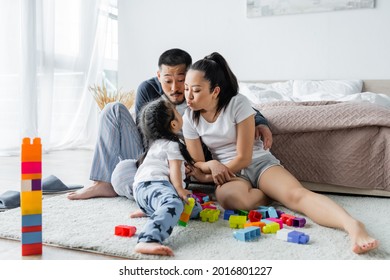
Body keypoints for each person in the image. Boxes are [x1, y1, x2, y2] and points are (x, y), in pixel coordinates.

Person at [182, 52, 379, 254]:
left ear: (215, 91)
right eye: (186, 88)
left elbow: (244, 157)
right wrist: (212, 166)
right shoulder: (189, 117)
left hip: (257, 163)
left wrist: (209, 175)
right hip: (231, 174)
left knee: (297, 196)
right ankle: (271, 193)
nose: (188, 96)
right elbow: (197, 161)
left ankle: (352, 225)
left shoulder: (237, 103)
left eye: (195, 90)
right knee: (229, 200)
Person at [68, 48, 272, 200]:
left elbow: (235, 105)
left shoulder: (199, 98)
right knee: (113, 112)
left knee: (122, 176)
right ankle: (105, 183)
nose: (175, 88)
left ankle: (155, 192)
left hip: (184, 162)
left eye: (182, 80)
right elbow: (145, 132)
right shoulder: (148, 90)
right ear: (159, 77)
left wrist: (260, 121)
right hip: (151, 154)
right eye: (167, 80)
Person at [130, 98, 202, 256]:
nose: (180, 113)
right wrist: (179, 189)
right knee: (174, 203)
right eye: (177, 112)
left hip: (142, 190)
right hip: (155, 185)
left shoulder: (156, 144)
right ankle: (148, 239)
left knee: (195, 208)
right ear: (174, 124)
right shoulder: (172, 144)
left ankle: (151, 209)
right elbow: (175, 170)